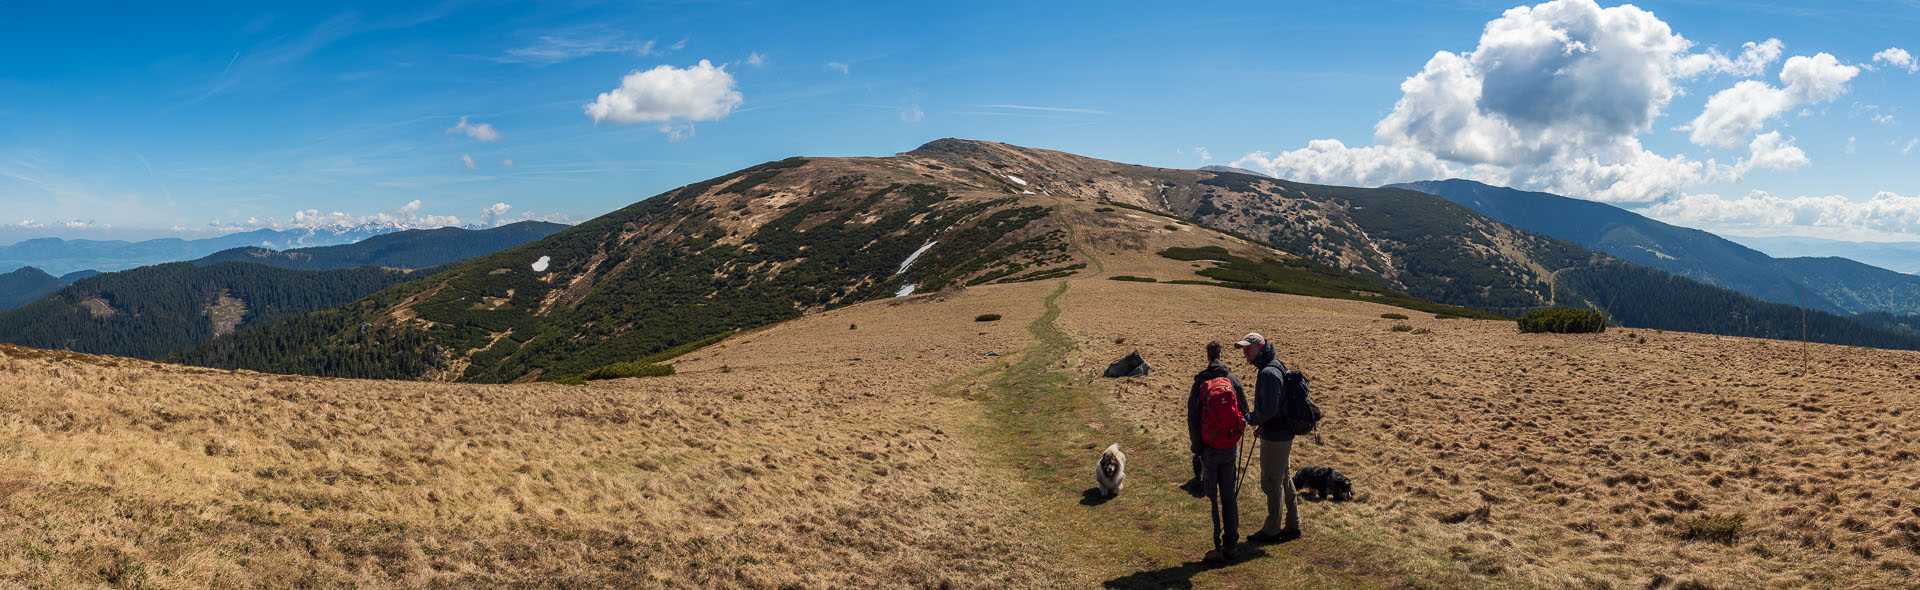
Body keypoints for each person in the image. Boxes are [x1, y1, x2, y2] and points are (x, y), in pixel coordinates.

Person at [1188, 341, 1249, 562]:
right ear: (1221, 355)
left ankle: (1216, 546)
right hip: (1229, 447)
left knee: (1213, 498)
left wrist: (1198, 449)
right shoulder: (1232, 380)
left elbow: (1193, 419)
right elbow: (1245, 412)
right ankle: (1231, 545)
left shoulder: (1201, 382)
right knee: (1229, 496)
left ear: (1208, 356)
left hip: (1210, 448)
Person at [1239, 332, 1301, 543]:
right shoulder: (1275, 365)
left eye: (1248, 348)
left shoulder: (1267, 372)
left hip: (1276, 436)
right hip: (1281, 431)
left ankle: (1272, 529)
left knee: (1272, 481)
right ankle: (1293, 525)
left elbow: (1271, 408)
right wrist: (1261, 424)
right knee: (1283, 477)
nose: (1245, 353)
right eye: (1244, 349)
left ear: (1261, 347)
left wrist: (1252, 419)